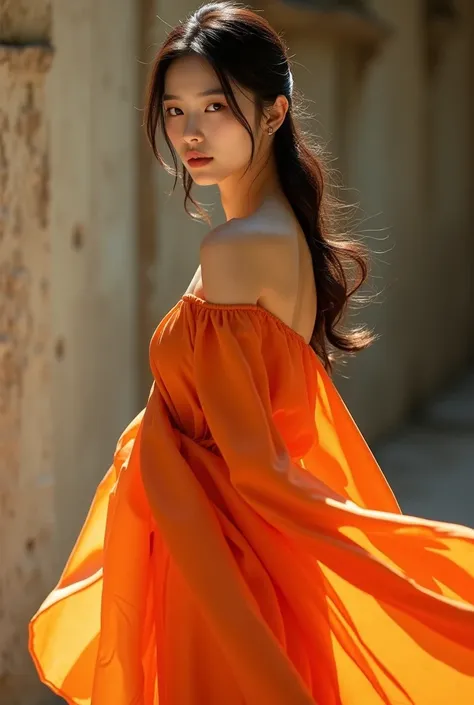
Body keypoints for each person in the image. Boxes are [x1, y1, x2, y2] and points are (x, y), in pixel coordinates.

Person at [29, 3, 474, 704]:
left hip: (221, 566)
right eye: (175, 110)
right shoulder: (276, 229)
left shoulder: (237, 248)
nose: (190, 132)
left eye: (215, 105)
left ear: (273, 112)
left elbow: (248, 464)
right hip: (237, 557)